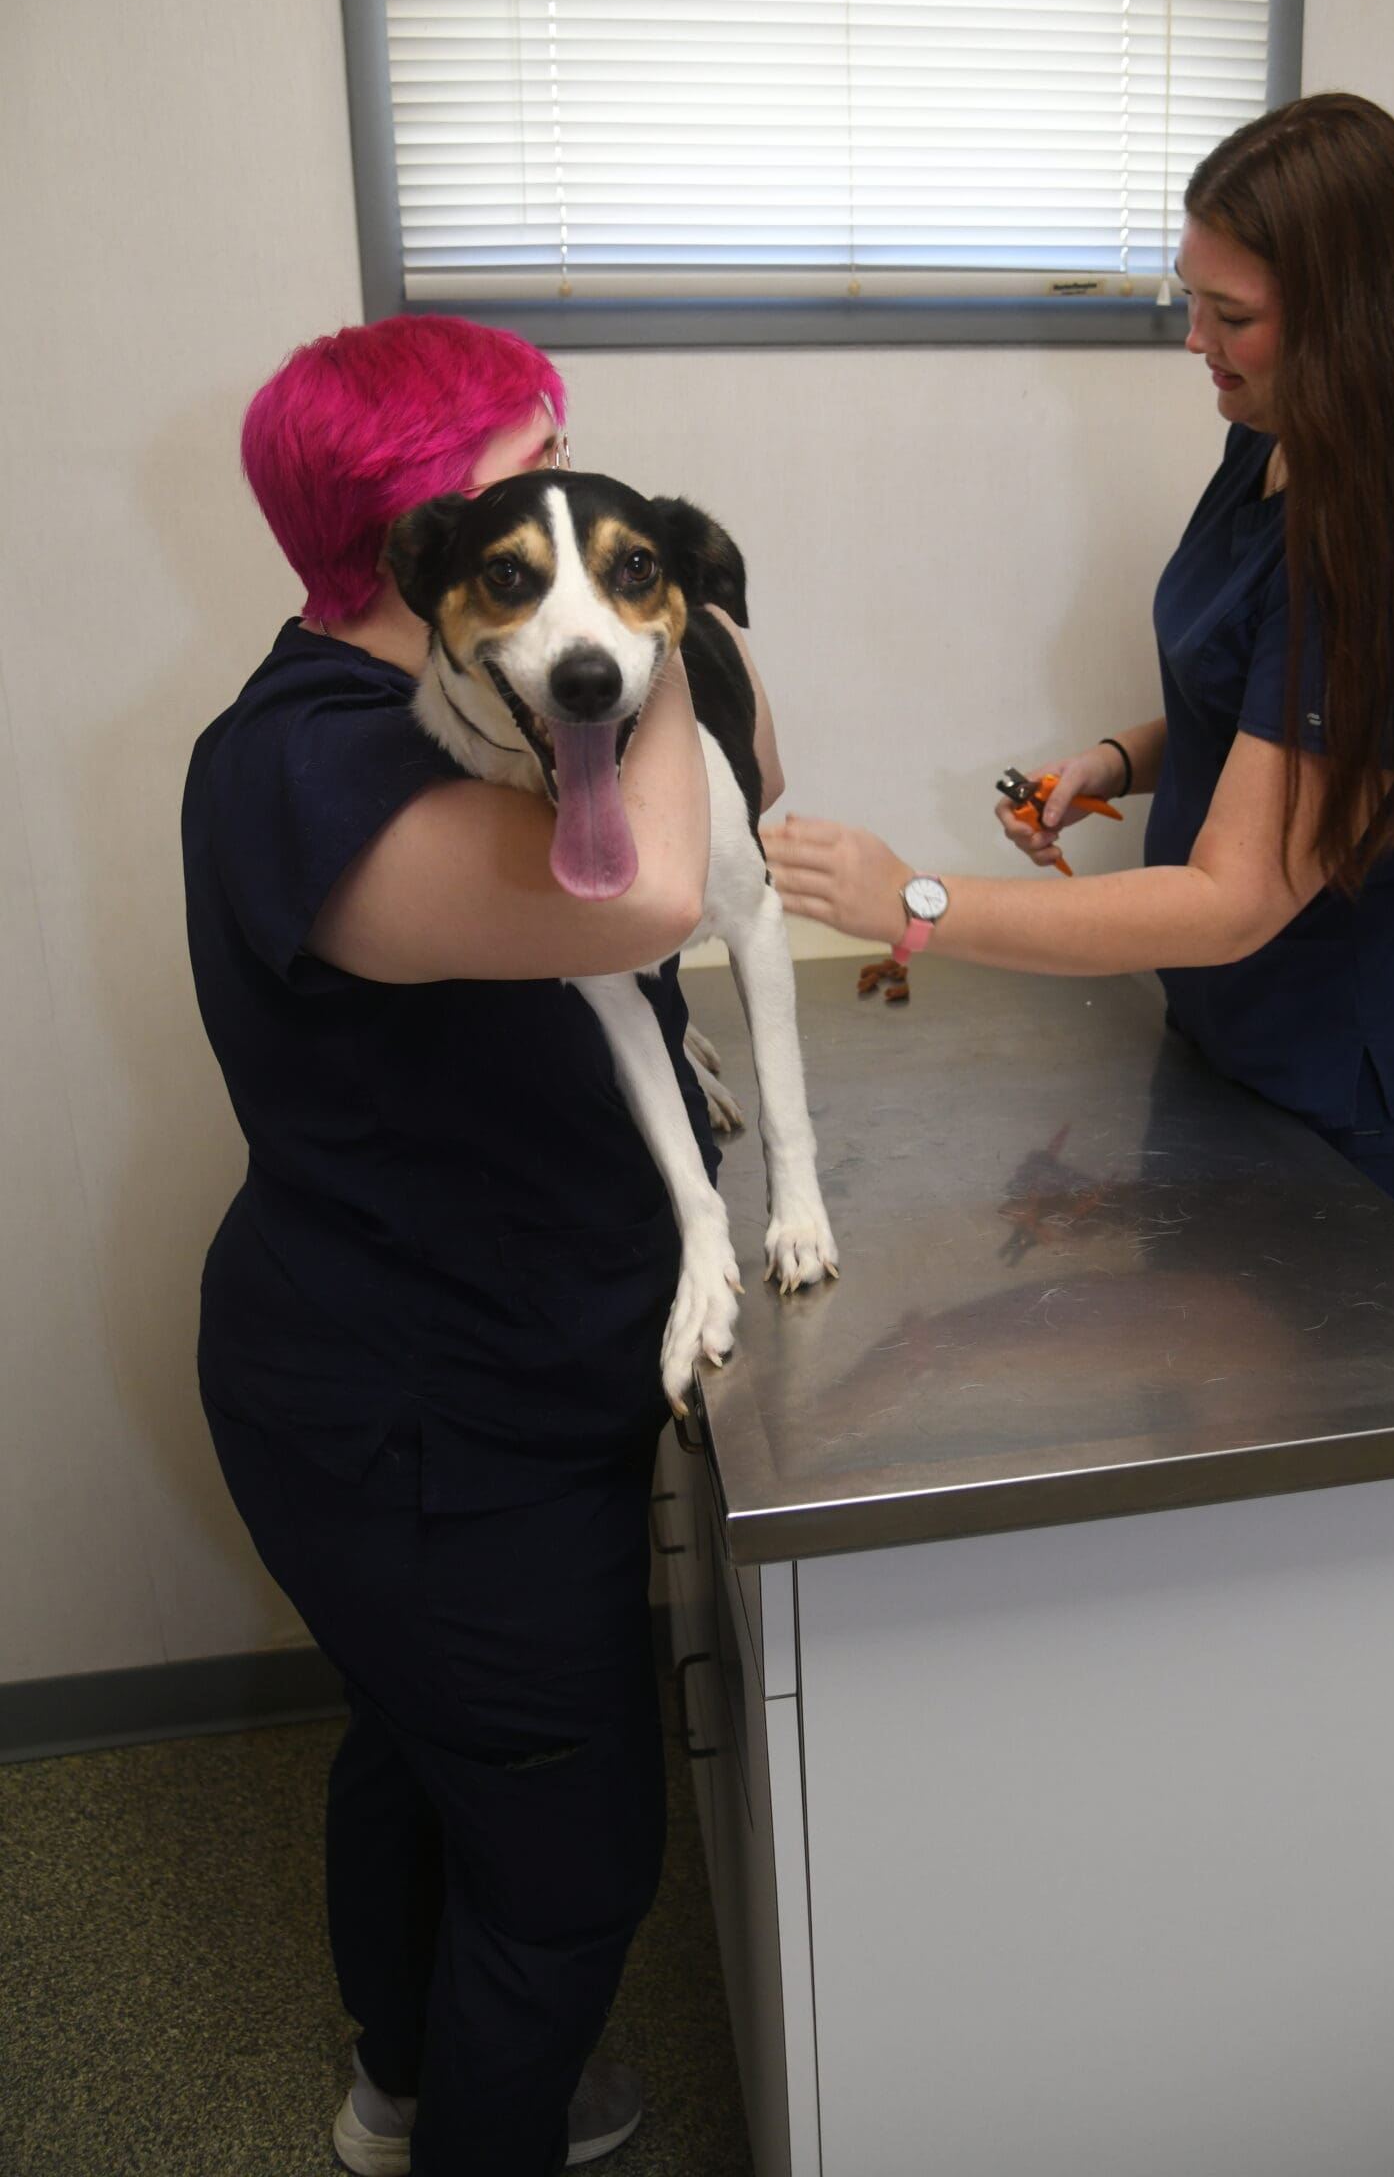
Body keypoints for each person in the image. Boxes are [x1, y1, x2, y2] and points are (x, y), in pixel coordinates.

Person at [182, 313, 780, 2177]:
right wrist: (628, 629)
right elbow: (659, 897)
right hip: (419, 1422)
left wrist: (632, 631)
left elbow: (745, 786)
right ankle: (476, 2126)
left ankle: (402, 2091)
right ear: (429, 542)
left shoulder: (482, 712)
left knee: (422, 1754)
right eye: (538, 468)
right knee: (572, 1857)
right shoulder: (312, 765)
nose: (573, 489)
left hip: (465, 1370)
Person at [763, 94, 1394, 1238]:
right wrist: (1116, 761)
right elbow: (1263, 695)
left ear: (1352, 324)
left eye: (1230, 314)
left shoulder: (1368, 550)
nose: (1195, 339)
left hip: (1356, 1059)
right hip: (1233, 1022)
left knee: (1284, 1396)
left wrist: (917, 903)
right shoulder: (1269, 445)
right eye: (1192, 299)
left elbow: (1231, 899)